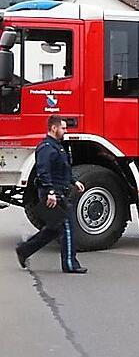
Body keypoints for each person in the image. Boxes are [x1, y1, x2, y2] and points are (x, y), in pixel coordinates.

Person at [15, 114, 87, 273]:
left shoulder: (57, 146)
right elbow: (44, 172)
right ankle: (70, 265)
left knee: (54, 229)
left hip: (58, 191)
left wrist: (74, 181)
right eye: (63, 128)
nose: (65, 131)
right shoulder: (46, 148)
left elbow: (63, 170)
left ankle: (24, 250)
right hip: (53, 194)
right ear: (54, 128)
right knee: (67, 227)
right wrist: (51, 192)